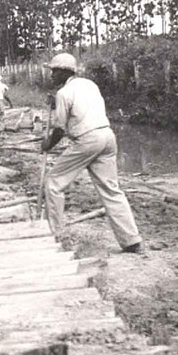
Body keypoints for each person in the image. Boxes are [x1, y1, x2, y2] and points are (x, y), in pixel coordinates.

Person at [41, 53, 144, 253]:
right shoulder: (89, 85)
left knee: (53, 182)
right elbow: (82, 107)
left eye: (54, 71)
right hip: (107, 137)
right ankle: (132, 240)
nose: (51, 75)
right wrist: (56, 104)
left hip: (87, 140)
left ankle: (55, 236)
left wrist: (47, 145)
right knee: (111, 189)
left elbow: (60, 129)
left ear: (64, 72)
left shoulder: (64, 93)